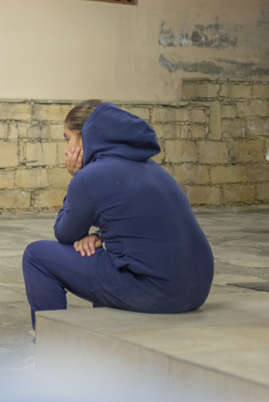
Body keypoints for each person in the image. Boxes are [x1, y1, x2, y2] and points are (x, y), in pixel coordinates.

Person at [22, 100, 215, 329]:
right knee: (99, 257)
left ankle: (52, 348)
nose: (66, 150)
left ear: (86, 138)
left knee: (36, 256)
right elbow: (140, 226)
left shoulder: (89, 177)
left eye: (68, 139)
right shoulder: (151, 167)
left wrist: (76, 176)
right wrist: (100, 237)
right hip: (196, 290)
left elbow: (64, 233)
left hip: (159, 294)